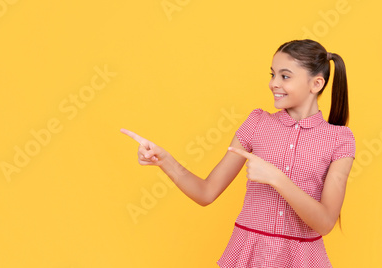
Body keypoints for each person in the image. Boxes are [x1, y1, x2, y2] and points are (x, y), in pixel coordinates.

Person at [121, 39, 355, 268]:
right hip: (249, 255)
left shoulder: (340, 140)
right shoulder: (256, 124)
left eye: (285, 76)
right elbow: (206, 192)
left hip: (303, 259)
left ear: (316, 84)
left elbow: (325, 223)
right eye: (272, 74)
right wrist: (164, 160)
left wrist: (276, 178)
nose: (274, 83)